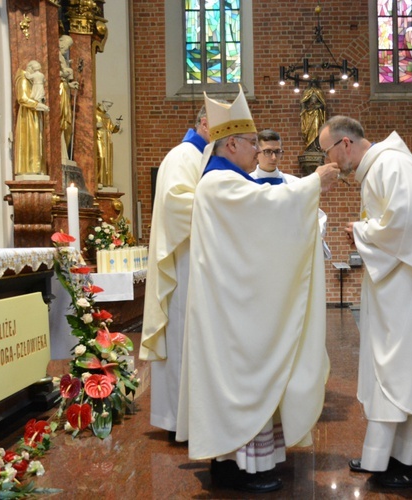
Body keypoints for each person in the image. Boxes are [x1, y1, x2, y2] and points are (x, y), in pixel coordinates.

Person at [176, 87, 340, 493]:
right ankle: (242, 467)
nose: (257, 151)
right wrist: (313, 183)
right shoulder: (220, 184)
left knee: (238, 382)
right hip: (231, 313)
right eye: (252, 143)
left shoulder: (226, 181)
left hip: (231, 303)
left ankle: (232, 463)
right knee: (241, 381)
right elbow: (267, 211)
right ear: (232, 142)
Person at [320, 116, 412, 488]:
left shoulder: (392, 164)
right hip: (395, 294)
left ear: (344, 144)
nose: (329, 162)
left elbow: (406, 223)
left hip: (410, 298)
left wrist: (361, 231)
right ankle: (387, 454)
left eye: (326, 152)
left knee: (408, 374)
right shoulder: (381, 167)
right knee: (392, 375)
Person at [140, 104, 213, 438]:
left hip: (196, 260)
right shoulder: (184, 156)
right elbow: (176, 204)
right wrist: (224, 205)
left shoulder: (200, 157)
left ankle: (189, 419)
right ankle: (177, 421)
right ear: (204, 123)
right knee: (182, 337)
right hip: (183, 264)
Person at [250, 129, 331, 259]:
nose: (273, 157)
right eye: (268, 152)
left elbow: (317, 215)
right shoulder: (246, 184)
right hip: (255, 254)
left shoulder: (295, 184)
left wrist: (314, 238)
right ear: (256, 153)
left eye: (277, 152)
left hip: (288, 255)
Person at [13, 60, 49, 175]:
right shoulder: (23, 79)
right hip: (27, 115)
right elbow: (22, 98)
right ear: (29, 68)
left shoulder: (30, 79)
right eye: (35, 70)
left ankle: (37, 169)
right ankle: (30, 169)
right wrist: (38, 105)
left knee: (37, 139)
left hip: (34, 112)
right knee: (30, 139)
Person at [59, 35, 79, 158]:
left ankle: (63, 150)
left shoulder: (62, 57)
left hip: (64, 88)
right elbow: (51, 72)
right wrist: (64, 73)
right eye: (66, 47)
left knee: (67, 121)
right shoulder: (55, 55)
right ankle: (60, 150)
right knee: (62, 118)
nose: (66, 50)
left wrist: (70, 84)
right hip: (60, 90)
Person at [95, 99, 122, 186]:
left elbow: (112, 129)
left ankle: (106, 182)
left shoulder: (107, 116)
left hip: (107, 140)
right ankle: (99, 180)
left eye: (110, 106)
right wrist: (95, 125)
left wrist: (117, 125)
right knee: (100, 158)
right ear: (103, 103)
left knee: (107, 161)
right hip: (99, 138)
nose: (108, 108)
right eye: (108, 105)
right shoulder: (94, 113)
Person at [300, 86, 326, 151]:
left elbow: (323, 104)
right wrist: (305, 108)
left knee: (316, 128)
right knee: (309, 130)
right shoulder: (307, 91)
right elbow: (303, 102)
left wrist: (319, 106)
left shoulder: (319, 91)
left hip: (317, 113)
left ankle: (316, 147)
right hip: (309, 113)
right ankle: (310, 147)